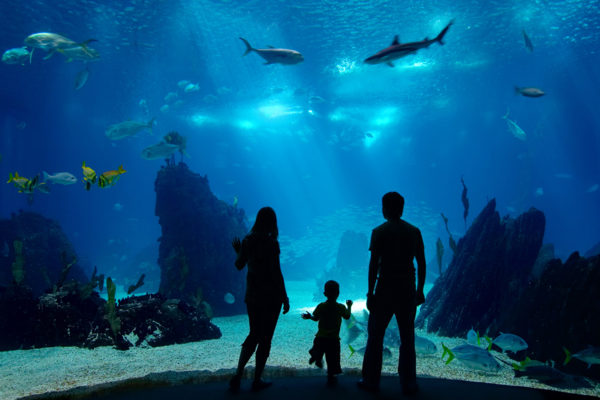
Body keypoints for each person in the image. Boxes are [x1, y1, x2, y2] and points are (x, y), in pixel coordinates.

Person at [358, 192, 426, 395]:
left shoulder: (379, 231)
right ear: (402, 208)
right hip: (407, 290)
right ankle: (408, 382)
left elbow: (373, 265)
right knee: (407, 338)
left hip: (385, 289)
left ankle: (370, 380)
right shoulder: (414, 231)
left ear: (385, 208)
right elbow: (421, 263)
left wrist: (370, 292)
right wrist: (420, 289)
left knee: (375, 337)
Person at [229, 207, 290, 392]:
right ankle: (257, 379)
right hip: (271, 297)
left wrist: (240, 251)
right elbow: (276, 272)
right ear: (272, 222)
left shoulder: (248, 240)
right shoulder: (271, 243)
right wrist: (284, 296)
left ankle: (238, 374)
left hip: (253, 296)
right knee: (265, 338)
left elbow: (240, 265)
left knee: (253, 333)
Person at [302, 280, 353, 385]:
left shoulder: (321, 306)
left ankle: (316, 355)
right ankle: (330, 377)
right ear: (338, 293)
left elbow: (315, 318)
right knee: (332, 359)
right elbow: (347, 316)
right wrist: (349, 306)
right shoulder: (340, 307)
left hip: (320, 337)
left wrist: (309, 317)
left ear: (325, 293)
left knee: (319, 349)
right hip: (333, 339)